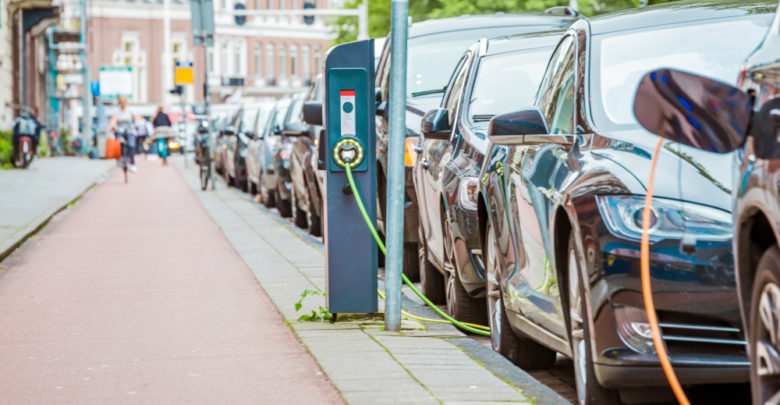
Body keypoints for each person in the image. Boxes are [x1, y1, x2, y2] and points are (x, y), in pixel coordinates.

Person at [110, 96, 137, 172]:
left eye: (123, 101)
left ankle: (132, 163)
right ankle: (120, 159)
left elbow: (135, 119)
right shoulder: (116, 111)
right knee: (119, 143)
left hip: (129, 129)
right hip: (120, 130)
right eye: (121, 102)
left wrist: (136, 125)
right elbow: (113, 120)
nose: (122, 103)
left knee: (131, 145)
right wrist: (112, 126)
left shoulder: (131, 110)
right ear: (119, 102)